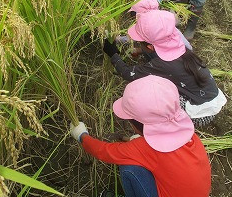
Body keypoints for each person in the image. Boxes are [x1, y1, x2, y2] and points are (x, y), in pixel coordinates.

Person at [70, 75, 211, 197]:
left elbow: (104, 151)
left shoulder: (144, 148)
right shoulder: (186, 130)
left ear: (138, 124)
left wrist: (82, 136)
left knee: (129, 167)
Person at [103, 10, 227, 127]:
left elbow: (128, 73)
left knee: (151, 95)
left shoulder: (162, 64)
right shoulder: (179, 47)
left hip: (200, 113)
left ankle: (169, 127)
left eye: (139, 42)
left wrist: (113, 54)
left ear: (150, 47)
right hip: (210, 101)